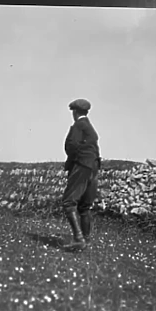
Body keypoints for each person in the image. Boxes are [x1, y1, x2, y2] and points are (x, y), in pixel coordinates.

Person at [61, 98, 101, 251]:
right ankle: (86, 240)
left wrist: (72, 163)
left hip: (82, 166)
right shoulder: (90, 127)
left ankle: (79, 239)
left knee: (68, 202)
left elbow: (71, 146)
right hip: (93, 167)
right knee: (85, 206)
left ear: (75, 112)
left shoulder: (78, 125)